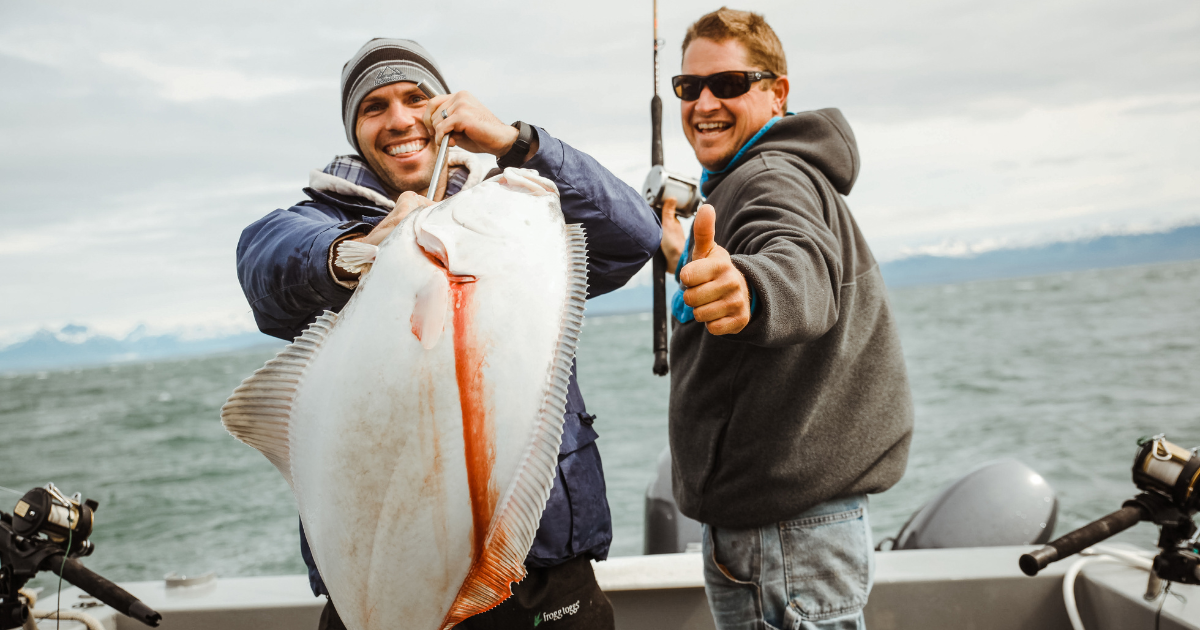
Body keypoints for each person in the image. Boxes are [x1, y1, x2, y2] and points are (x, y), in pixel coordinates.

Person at [235, 38, 661, 630]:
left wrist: (517, 144)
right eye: (373, 106)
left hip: (542, 575)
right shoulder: (320, 222)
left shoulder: (512, 219)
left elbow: (636, 235)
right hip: (385, 581)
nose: (400, 119)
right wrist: (357, 252)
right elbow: (264, 264)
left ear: (448, 107)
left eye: (417, 97)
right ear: (354, 130)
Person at [658, 9, 914, 630]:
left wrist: (746, 289)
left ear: (777, 91)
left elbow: (798, 269)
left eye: (729, 84)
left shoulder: (770, 177)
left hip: (785, 538)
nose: (705, 103)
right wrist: (686, 263)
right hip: (789, 530)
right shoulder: (759, 176)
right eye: (689, 88)